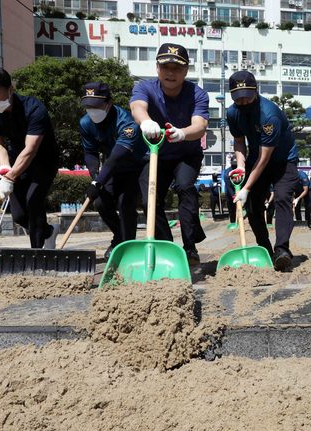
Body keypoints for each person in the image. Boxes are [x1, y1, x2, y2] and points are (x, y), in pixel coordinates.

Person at [129, 42, 209, 265]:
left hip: (186, 153)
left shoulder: (197, 93)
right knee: (148, 200)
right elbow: (137, 107)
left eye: (177, 68)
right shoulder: (145, 87)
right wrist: (145, 122)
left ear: (186, 70)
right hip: (155, 153)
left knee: (184, 187)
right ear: (157, 68)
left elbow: (200, 125)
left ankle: (190, 246)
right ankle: (167, 247)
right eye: (166, 67)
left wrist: (182, 133)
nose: (171, 73)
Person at [0, 62, 60, 249]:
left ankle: (36, 254)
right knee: (20, 216)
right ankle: (47, 232)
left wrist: (11, 177)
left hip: (43, 160)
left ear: (10, 89)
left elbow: (31, 148)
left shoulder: (34, 109)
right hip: (16, 159)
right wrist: (5, 168)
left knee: (33, 201)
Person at [226, 71, 299, 271]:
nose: (243, 100)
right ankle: (265, 248)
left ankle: (282, 249)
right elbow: (240, 142)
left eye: (247, 96)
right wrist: (241, 166)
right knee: (253, 205)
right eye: (238, 97)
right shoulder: (232, 113)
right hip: (255, 158)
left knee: (283, 197)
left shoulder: (269, 115)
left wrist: (246, 187)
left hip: (283, 161)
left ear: (255, 91)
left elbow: (264, 158)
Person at [79, 82, 147, 259]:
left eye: (96, 105)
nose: (92, 109)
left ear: (108, 103)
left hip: (136, 166)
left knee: (126, 203)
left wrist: (99, 181)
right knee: (100, 201)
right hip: (114, 168)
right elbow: (90, 152)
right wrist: (95, 177)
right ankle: (119, 237)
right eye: (88, 106)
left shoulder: (126, 121)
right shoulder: (86, 123)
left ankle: (127, 246)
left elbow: (117, 156)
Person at [222, 159, 237, 224]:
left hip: (238, 190)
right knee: (231, 208)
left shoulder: (240, 169)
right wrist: (233, 195)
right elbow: (228, 186)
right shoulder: (227, 172)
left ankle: (239, 220)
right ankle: (233, 222)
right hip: (229, 192)